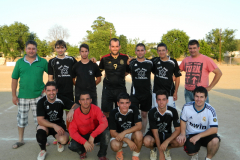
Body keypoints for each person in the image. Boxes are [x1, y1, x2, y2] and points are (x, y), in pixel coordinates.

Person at [11, 40, 48, 149]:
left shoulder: (43, 62)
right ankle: (20, 140)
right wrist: (14, 95)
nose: (31, 51)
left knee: (40, 119)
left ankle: (42, 139)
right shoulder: (19, 62)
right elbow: (14, 79)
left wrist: (46, 87)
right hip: (23, 96)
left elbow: (52, 74)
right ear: (26, 49)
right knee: (21, 119)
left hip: (38, 96)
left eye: (33, 48)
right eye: (29, 48)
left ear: (36, 49)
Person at [36, 81, 79, 160]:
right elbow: (40, 120)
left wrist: (72, 110)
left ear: (57, 90)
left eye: (53, 90)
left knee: (64, 140)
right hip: (46, 125)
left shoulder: (61, 98)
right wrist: (54, 125)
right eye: (48, 90)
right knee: (40, 131)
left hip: (59, 124)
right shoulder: (41, 102)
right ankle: (43, 150)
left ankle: (59, 142)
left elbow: (76, 105)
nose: (51, 93)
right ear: (45, 91)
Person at [177, 86, 220, 160]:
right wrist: (183, 134)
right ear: (193, 97)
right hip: (191, 134)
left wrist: (199, 136)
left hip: (205, 134)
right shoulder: (187, 107)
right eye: (197, 96)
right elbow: (183, 121)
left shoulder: (210, 110)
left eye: (201, 97)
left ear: (205, 98)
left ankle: (208, 158)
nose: (199, 99)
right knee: (190, 151)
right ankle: (194, 154)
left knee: (215, 141)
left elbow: (214, 129)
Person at [48, 40, 77, 144]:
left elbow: (79, 69)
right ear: (55, 49)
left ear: (65, 48)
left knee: (69, 114)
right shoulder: (52, 61)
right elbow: (50, 78)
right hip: (57, 92)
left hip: (69, 91)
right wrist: (51, 91)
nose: (60, 50)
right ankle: (59, 135)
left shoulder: (71, 60)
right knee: (57, 114)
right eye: (58, 48)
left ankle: (70, 134)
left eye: (62, 47)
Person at [68, 92, 109, 160]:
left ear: (91, 100)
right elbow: (72, 132)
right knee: (72, 146)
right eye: (83, 99)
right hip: (83, 135)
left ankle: (102, 155)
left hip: (94, 135)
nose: (85, 101)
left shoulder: (96, 109)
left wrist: (93, 135)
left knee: (106, 132)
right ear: (79, 101)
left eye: (87, 99)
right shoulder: (75, 113)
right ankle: (82, 152)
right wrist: (84, 142)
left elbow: (104, 123)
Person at [143, 90, 182, 160]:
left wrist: (167, 142)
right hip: (154, 134)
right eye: (159, 100)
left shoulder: (173, 111)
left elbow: (178, 130)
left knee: (180, 141)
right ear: (156, 101)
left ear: (167, 100)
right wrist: (160, 153)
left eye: (163, 99)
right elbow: (155, 133)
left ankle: (166, 149)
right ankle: (153, 149)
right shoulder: (152, 112)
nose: (161, 102)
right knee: (147, 141)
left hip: (167, 134)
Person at [99, 38, 129, 121]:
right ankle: (108, 132)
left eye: (116, 46)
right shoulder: (104, 58)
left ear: (119, 47)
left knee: (121, 111)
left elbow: (128, 71)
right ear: (109, 47)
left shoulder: (125, 58)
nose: (115, 48)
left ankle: (119, 131)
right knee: (106, 112)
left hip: (121, 89)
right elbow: (99, 71)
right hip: (107, 89)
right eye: (113, 46)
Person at [109, 93, 143, 160]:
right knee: (115, 145)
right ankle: (119, 151)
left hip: (130, 133)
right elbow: (112, 133)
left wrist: (124, 132)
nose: (124, 105)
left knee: (139, 134)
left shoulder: (134, 109)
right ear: (118, 103)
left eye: (127, 103)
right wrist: (127, 140)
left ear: (130, 103)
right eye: (122, 103)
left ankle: (135, 155)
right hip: (118, 135)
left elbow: (139, 126)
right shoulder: (113, 112)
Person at [129, 43, 153, 134]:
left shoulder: (150, 63)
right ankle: (133, 134)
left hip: (146, 93)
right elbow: (126, 72)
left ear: (145, 51)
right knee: (133, 114)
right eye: (138, 50)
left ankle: (142, 134)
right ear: (135, 52)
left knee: (144, 114)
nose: (140, 52)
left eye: (142, 50)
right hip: (135, 93)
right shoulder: (132, 63)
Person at [152, 43, 181, 108]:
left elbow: (177, 77)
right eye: (159, 50)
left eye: (163, 50)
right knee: (156, 112)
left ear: (166, 51)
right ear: (157, 51)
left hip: (169, 92)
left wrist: (175, 92)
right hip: (156, 92)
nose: (161, 52)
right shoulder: (154, 61)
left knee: (170, 112)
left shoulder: (173, 62)